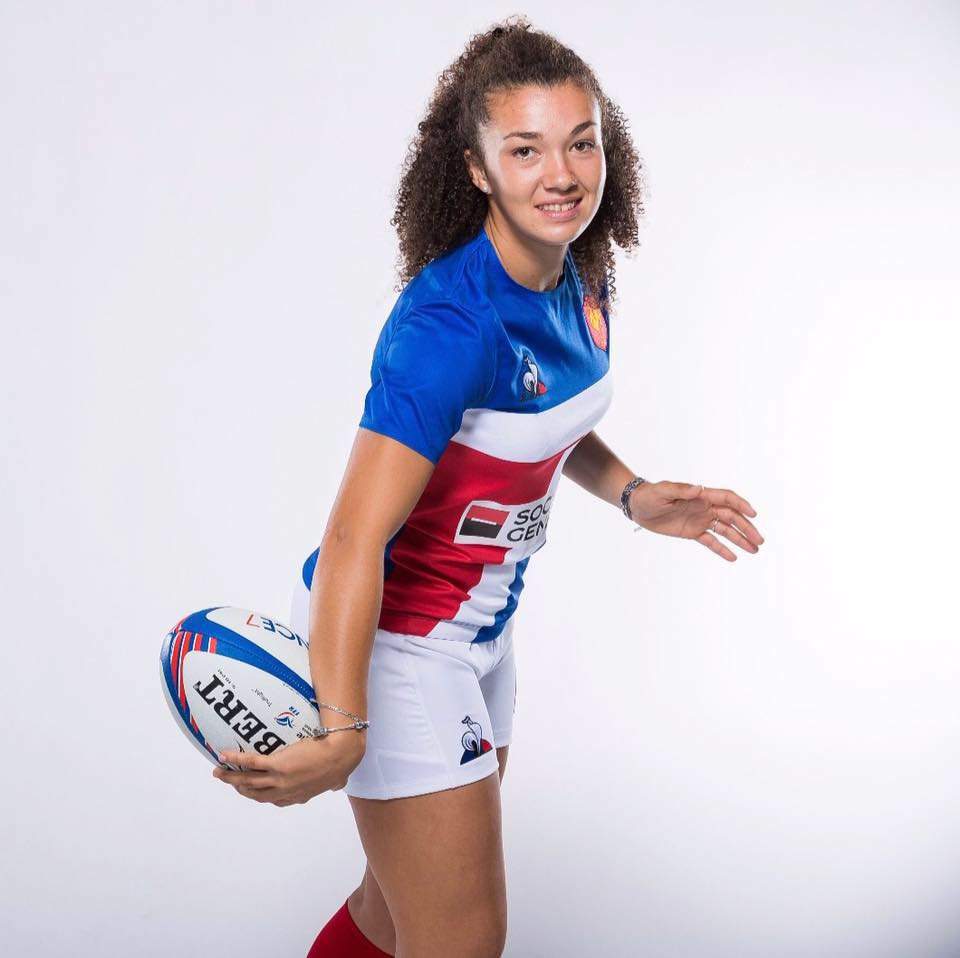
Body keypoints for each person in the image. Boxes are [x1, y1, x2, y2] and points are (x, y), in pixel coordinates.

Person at [212, 16, 764, 958]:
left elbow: (537, 420)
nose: (562, 174)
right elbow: (351, 538)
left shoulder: (576, 274)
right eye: (525, 149)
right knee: (462, 940)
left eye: (581, 142)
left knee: (394, 914)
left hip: (481, 634)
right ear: (475, 168)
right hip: (394, 645)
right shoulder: (447, 328)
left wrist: (631, 493)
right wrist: (344, 726)